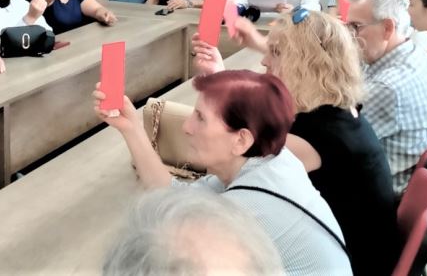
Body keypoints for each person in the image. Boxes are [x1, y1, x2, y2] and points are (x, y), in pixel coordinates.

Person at [193, 10, 399, 275]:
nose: (264, 61)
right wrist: (220, 77)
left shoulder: (314, 137)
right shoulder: (339, 110)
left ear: (305, 65)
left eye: (276, 52)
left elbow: (234, 151)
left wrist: (218, 85)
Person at [93, 71, 352, 276]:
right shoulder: (271, 160)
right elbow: (172, 193)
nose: (186, 127)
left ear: (241, 140)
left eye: (200, 118)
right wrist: (131, 127)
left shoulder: (244, 209)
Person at [347, 0, 427, 195]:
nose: (350, 36)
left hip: (376, 195)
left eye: (356, 27)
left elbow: (336, 143)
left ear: (387, 28)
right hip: (398, 180)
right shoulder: (414, 53)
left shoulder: (387, 88)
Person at [103, 188, 285, 276]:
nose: (187, 128)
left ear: (241, 141)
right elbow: (177, 188)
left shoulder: (246, 200)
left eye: (202, 123)